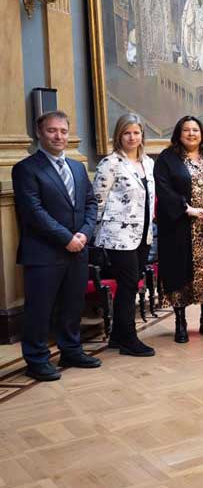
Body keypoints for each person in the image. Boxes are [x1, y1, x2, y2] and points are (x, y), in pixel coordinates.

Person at [13, 111, 99, 381]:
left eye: (63, 131)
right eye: (52, 130)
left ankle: (71, 350)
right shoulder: (25, 169)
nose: (58, 136)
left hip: (78, 249)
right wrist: (66, 238)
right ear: (39, 133)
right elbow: (33, 212)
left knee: (72, 306)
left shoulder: (78, 167)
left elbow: (91, 204)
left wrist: (84, 234)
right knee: (39, 309)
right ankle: (37, 359)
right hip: (44, 252)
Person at [154, 116, 203, 343]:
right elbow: (163, 189)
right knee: (179, 272)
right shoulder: (167, 159)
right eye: (186, 130)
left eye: (195, 130)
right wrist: (188, 209)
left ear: (202, 133)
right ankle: (180, 321)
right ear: (178, 134)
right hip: (180, 227)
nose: (191, 134)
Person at [92, 114, 156, 356]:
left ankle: (118, 336)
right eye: (127, 133)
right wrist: (96, 236)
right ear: (119, 135)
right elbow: (97, 201)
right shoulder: (110, 163)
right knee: (129, 284)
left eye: (136, 132)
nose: (132, 137)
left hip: (143, 234)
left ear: (142, 135)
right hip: (117, 236)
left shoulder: (148, 162)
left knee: (130, 284)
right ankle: (129, 338)